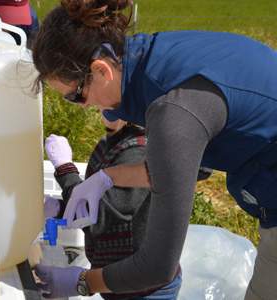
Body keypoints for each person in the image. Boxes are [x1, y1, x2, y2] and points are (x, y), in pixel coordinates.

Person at [30, 1, 277, 300]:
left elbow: (158, 266)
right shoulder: (147, 58)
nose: (82, 106)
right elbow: (194, 165)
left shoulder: (174, 112)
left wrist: (84, 281)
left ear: (101, 70)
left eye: (74, 96)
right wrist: (106, 177)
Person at [41, 111, 212, 299]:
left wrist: (65, 169)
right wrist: (59, 208)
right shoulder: (114, 139)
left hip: (140, 288)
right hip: (117, 280)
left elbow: (97, 219)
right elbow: (101, 206)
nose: (88, 106)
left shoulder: (137, 151)